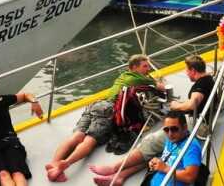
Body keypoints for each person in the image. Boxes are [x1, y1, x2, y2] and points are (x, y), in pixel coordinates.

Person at [90, 56, 213, 186]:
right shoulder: (209, 79)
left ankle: (114, 167)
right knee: (157, 152)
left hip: (197, 123)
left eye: (187, 71)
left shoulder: (201, 84)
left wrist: (176, 105)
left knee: (151, 142)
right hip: (201, 120)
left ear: (193, 70)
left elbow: (192, 104)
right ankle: (120, 176)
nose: (186, 73)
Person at [45, 55, 164, 182]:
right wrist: (154, 80)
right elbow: (161, 87)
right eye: (145, 66)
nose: (149, 69)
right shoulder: (139, 78)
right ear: (134, 68)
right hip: (107, 109)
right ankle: (65, 164)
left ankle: (54, 163)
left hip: (95, 105)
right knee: (89, 141)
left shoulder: (123, 75)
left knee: (77, 136)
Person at [145, 111, 202, 186]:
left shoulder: (191, 146)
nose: (170, 134)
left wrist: (164, 168)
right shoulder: (171, 140)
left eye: (174, 129)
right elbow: (168, 159)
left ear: (184, 127)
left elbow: (190, 176)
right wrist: (155, 163)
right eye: (166, 129)